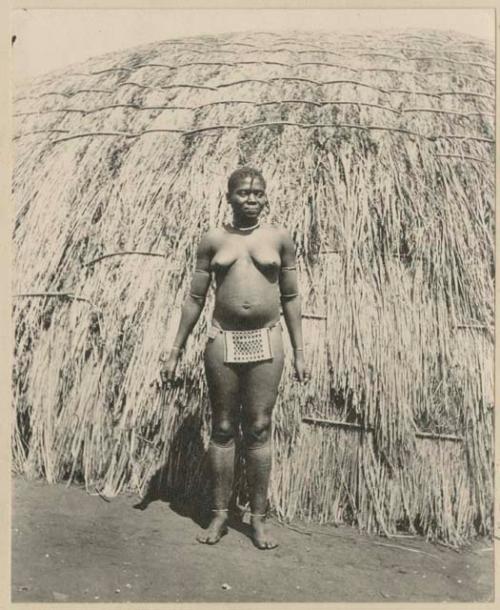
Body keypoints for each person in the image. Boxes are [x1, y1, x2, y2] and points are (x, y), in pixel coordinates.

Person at [160, 166, 309, 550]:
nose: (251, 199)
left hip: (266, 340)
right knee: (223, 427)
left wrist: (299, 351)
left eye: (258, 193)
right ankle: (219, 514)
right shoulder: (213, 240)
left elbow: (291, 297)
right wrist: (175, 350)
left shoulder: (280, 239)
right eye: (243, 193)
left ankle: (258, 519)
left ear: (266, 197)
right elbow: (195, 298)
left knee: (259, 426)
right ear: (228, 197)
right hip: (223, 339)